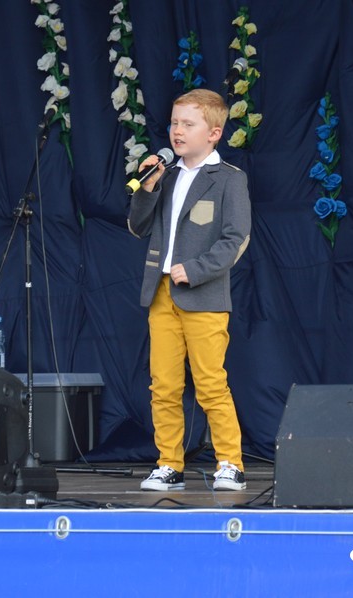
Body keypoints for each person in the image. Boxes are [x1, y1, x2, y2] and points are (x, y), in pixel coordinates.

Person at [127, 88, 251, 491]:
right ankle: (168, 463)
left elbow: (236, 240)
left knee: (211, 383)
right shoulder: (167, 175)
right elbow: (137, 226)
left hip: (203, 296)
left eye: (188, 124)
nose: (177, 131)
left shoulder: (228, 179)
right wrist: (147, 187)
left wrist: (195, 270)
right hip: (161, 294)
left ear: (213, 133)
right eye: (174, 123)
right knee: (163, 386)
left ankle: (230, 462)